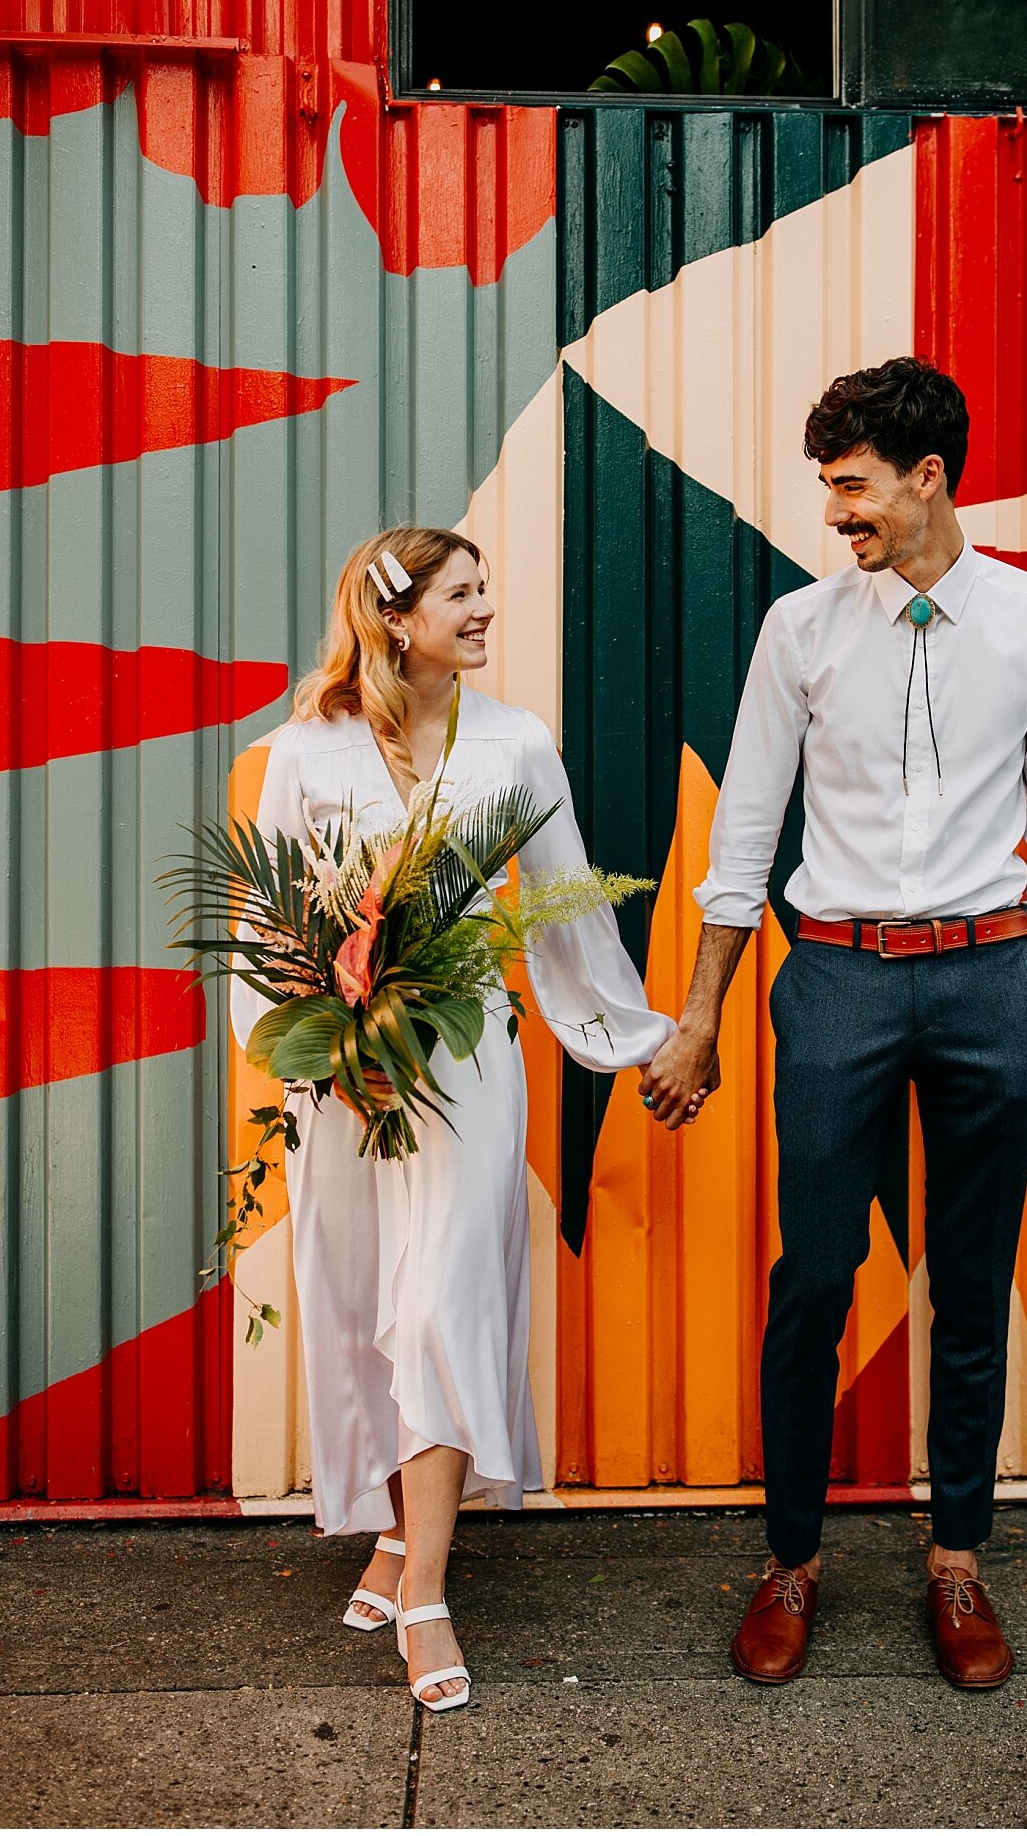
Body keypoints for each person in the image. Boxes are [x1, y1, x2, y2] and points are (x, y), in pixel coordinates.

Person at [640, 357, 1027, 1690]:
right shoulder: (799, 631)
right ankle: (791, 1560)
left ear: (926, 477)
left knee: (967, 1287)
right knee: (814, 1280)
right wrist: (701, 1016)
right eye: (828, 487)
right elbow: (741, 832)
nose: (833, 512)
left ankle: (956, 1563)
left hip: (987, 980)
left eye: (849, 486)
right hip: (833, 979)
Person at [231, 526, 703, 1712]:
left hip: (468, 1057)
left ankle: (427, 1585)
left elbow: (565, 907)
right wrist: (319, 1054)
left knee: (442, 1298)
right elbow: (265, 922)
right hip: (351, 1073)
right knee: (366, 1298)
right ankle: (394, 1535)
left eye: (486, 588)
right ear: (397, 619)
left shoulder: (515, 741)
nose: (486, 609)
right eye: (462, 592)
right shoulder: (310, 748)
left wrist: (636, 1038)